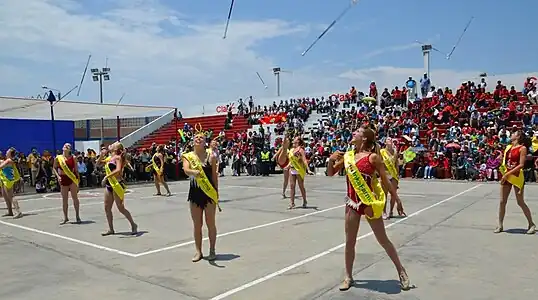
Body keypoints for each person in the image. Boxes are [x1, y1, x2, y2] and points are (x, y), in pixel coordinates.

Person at [327, 125, 410, 291]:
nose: (353, 133)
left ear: (364, 138)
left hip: (369, 203)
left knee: (383, 240)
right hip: (352, 203)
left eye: (357, 132)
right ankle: (348, 276)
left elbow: (385, 180)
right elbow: (330, 173)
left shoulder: (373, 158)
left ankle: (401, 271)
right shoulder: (348, 156)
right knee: (350, 242)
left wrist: (397, 199)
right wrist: (330, 160)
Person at [182, 132, 219, 262]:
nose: (198, 139)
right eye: (196, 137)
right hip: (195, 193)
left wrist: (216, 194)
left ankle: (212, 250)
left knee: (211, 223)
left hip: (209, 193)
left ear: (205, 142)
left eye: (201, 137)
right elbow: (185, 170)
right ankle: (198, 251)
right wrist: (194, 172)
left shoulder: (211, 156)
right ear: (193, 141)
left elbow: (214, 176)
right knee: (197, 224)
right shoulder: (188, 156)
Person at [495, 130, 536, 234]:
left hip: (516, 176)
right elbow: (506, 161)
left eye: (513, 133)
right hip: (507, 175)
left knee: (520, 202)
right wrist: (500, 159)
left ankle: (531, 224)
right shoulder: (509, 147)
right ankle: (500, 224)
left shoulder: (522, 148)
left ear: (518, 137)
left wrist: (507, 174)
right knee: (502, 201)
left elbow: (521, 165)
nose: (511, 134)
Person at [101, 142, 138, 236]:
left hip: (117, 184)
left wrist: (106, 177)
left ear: (116, 149)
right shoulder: (109, 158)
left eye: (115, 144)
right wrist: (101, 155)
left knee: (120, 207)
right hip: (110, 184)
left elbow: (117, 170)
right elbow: (97, 163)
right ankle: (111, 229)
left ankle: (133, 225)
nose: (112, 144)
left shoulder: (118, 158)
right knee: (107, 207)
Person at [52, 143, 81, 225]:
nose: (66, 147)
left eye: (68, 146)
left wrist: (78, 181)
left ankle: (77, 216)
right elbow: (54, 168)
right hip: (63, 178)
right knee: (64, 199)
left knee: (75, 197)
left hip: (72, 178)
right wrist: (58, 176)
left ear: (70, 149)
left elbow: (76, 170)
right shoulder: (58, 158)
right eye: (65, 145)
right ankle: (65, 217)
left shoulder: (73, 158)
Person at [380, 138, 406, 219]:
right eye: (388, 139)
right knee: (384, 194)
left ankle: (391, 211)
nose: (390, 140)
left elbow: (396, 164)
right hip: (385, 174)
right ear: (385, 142)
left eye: (391, 140)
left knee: (393, 194)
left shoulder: (395, 151)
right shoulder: (382, 152)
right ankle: (383, 212)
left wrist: (397, 175)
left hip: (393, 175)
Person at [287, 136, 309, 209]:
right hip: (292, 169)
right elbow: (291, 160)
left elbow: (304, 160)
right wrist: (288, 166)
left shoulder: (301, 150)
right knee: (292, 186)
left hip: (299, 170)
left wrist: (308, 169)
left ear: (298, 141)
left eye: (295, 139)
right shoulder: (292, 150)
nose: (293, 140)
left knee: (301, 186)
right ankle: (292, 203)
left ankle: (305, 201)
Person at [0, 148, 23, 219]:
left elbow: (0, 166)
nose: (6, 152)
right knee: (5, 195)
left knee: (11, 196)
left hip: (8, 180)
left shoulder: (9, 160)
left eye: (8, 151)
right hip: (4, 179)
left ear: (10, 154)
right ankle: (10, 211)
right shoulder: (6, 160)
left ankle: (18, 211)